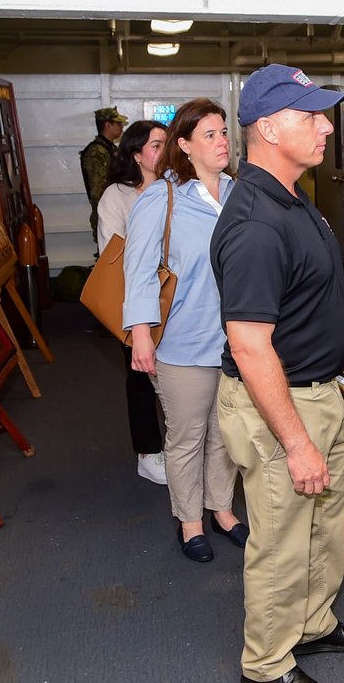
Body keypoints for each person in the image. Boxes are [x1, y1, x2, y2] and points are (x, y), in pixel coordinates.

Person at [212, 64, 344, 683]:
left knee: (325, 525)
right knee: (280, 543)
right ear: (270, 128)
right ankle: (268, 664)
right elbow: (250, 346)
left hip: (317, 391)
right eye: (310, 116)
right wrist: (297, 440)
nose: (326, 128)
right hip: (280, 407)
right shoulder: (256, 221)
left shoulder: (292, 195)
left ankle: (313, 624)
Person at [123, 98, 244, 564]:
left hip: (234, 343)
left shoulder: (238, 193)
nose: (221, 141)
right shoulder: (163, 197)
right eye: (209, 135)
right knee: (188, 434)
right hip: (180, 343)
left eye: (223, 132)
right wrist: (139, 335)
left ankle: (222, 510)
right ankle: (189, 521)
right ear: (185, 146)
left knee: (226, 433)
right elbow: (136, 272)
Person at [97, 119, 169, 486]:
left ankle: (179, 447)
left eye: (167, 144)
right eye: (156, 145)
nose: (164, 151)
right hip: (135, 300)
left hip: (177, 299)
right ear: (137, 154)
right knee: (141, 378)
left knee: (177, 378)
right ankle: (148, 452)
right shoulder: (117, 196)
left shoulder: (177, 188)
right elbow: (113, 254)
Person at [81, 106, 127, 245]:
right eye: (118, 124)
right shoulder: (97, 152)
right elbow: (97, 191)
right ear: (108, 125)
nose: (121, 128)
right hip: (107, 214)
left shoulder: (110, 149)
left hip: (117, 210)